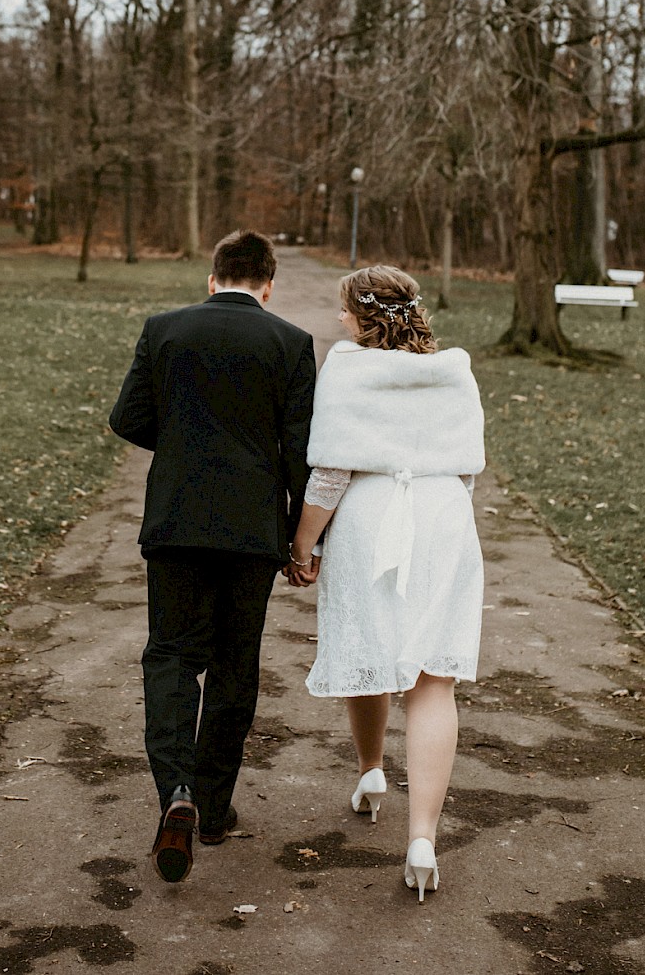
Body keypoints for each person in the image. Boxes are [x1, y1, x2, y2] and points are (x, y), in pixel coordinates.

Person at [109, 229, 317, 884]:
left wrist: (181, 439)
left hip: (177, 520)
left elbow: (128, 417)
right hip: (252, 530)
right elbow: (299, 450)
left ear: (212, 277)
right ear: (268, 283)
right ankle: (216, 802)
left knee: (171, 654)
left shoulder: (164, 329)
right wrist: (300, 538)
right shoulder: (291, 343)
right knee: (234, 662)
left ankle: (177, 790)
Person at [285, 265, 484, 901]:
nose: (339, 320)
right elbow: (467, 473)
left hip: (372, 519)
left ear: (358, 315)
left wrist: (302, 545)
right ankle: (422, 836)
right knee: (433, 679)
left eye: (343, 311)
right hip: (444, 516)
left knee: (369, 649)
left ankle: (372, 772)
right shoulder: (455, 369)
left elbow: (329, 475)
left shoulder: (346, 368)